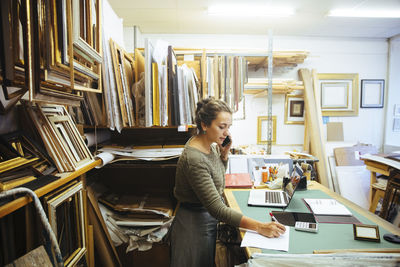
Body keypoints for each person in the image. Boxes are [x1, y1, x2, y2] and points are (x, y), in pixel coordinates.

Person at [170, 97, 286, 267]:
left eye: (228, 127)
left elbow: (216, 178)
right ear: (204, 125)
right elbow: (217, 208)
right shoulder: (194, 158)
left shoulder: (212, 145)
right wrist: (260, 227)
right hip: (192, 224)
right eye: (221, 127)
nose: (226, 133)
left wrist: (224, 155)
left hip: (205, 217)